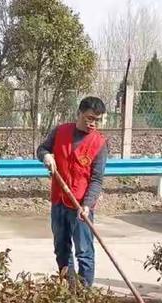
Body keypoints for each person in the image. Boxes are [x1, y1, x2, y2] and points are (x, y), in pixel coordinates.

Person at [37, 96, 108, 287]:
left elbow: (96, 179)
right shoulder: (60, 131)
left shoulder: (99, 144)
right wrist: (46, 156)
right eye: (89, 118)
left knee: (84, 251)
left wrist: (86, 205)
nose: (93, 123)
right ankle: (69, 289)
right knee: (61, 249)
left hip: (80, 207)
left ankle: (84, 296)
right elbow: (41, 148)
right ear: (79, 113)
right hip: (58, 201)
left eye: (97, 120)